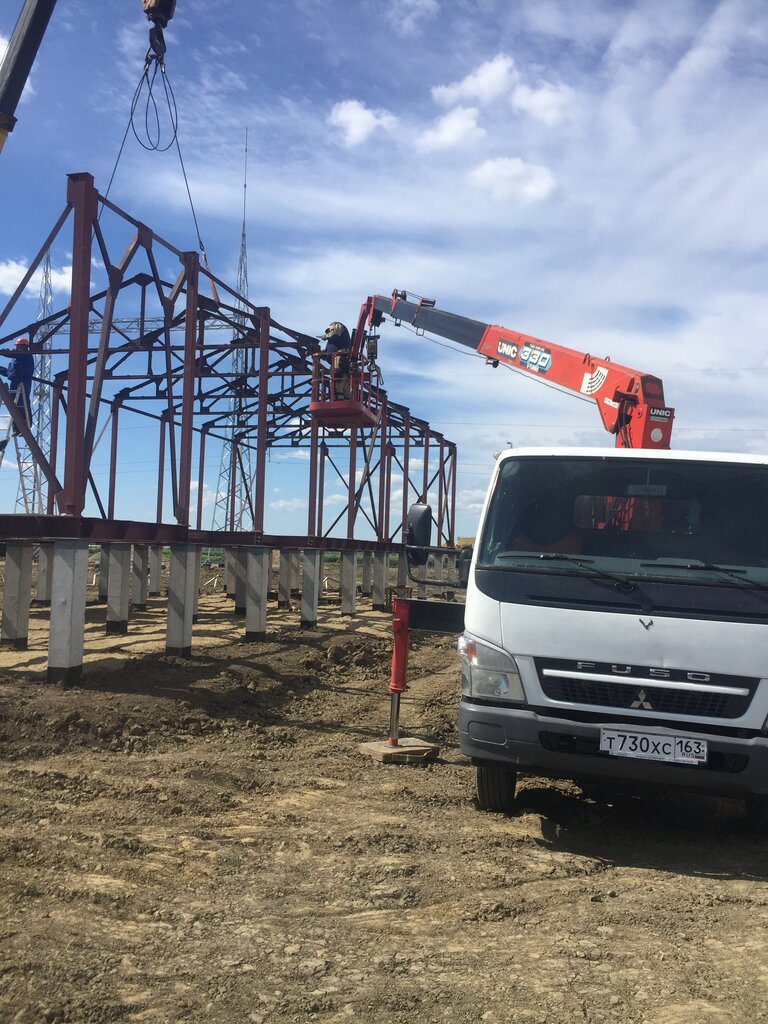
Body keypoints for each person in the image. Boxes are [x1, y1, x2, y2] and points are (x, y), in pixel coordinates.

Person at [0, 337, 34, 453]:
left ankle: (26, 425)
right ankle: (17, 428)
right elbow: (10, 373)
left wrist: (2, 351)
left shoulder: (25, 355)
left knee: (22, 403)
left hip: (23, 382)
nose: (17, 348)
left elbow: (11, 354)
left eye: (19, 346)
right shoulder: (16, 359)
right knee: (13, 406)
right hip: (15, 382)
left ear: (24, 347)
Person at [322, 321, 351, 400]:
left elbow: (335, 333)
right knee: (340, 380)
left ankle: (339, 398)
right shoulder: (335, 341)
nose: (328, 333)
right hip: (337, 360)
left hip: (339, 359)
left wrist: (325, 336)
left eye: (329, 330)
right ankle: (343, 399)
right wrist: (323, 354)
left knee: (337, 379)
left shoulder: (338, 326)